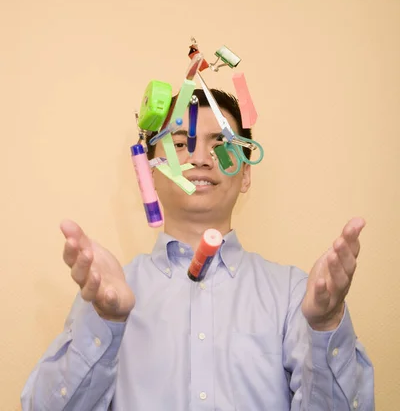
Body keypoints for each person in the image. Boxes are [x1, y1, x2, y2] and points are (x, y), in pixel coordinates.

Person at [21, 89, 375, 410]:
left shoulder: (294, 295)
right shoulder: (106, 293)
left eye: (220, 142)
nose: (201, 158)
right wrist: (105, 323)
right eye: (179, 143)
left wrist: (327, 325)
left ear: (246, 173)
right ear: (147, 173)